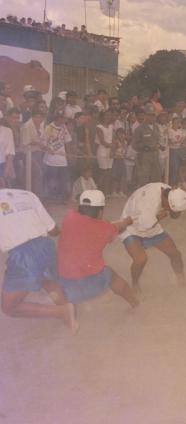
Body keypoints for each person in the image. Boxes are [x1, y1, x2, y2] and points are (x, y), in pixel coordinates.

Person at [0, 188, 78, 332]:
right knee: (47, 279)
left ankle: (62, 312)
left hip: (23, 255)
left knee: (9, 306)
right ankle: (69, 314)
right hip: (46, 245)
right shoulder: (27, 195)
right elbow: (53, 230)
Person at [56, 190, 139, 307]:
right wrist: (126, 221)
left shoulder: (69, 217)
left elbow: (95, 225)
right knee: (111, 274)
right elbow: (116, 227)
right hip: (87, 285)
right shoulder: (104, 228)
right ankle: (135, 303)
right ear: (100, 212)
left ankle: (68, 308)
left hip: (64, 284)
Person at [120, 183, 186, 293]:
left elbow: (176, 204)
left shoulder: (168, 191)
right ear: (166, 202)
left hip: (151, 225)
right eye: (170, 208)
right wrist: (160, 216)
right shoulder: (150, 204)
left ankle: (181, 281)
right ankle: (135, 284)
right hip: (131, 228)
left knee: (175, 254)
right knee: (140, 259)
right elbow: (146, 224)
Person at [42, 110, 71, 202]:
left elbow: (67, 141)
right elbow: (43, 142)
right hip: (51, 159)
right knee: (52, 179)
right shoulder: (49, 128)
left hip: (62, 159)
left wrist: (68, 153)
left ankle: (61, 197)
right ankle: (50, 197)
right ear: (58, 118)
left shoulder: (64, 127)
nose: (64, 120)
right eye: (62, 118)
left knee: (63, 179)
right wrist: (48, 149)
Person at [133, 105, 161, 188]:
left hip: (155, 155)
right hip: (144, 156)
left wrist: (158, 145)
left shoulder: (156, 127)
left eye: (153, 115)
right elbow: (135, 145)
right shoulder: (139, 129)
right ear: (145, 115)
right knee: (143, 180)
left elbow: (157, 140)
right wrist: (147, 147)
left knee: (156, 179)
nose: (152, 117)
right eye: (150, 115)